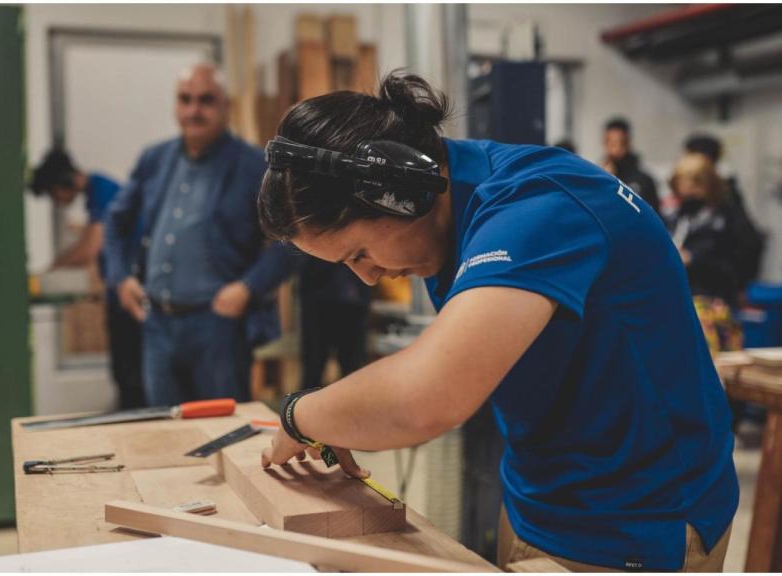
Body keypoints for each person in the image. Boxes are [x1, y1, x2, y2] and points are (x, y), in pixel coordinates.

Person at [257, 72, 738, 572]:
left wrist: (301, 413)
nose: (369, 277)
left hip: (635, 522)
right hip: (542, 501)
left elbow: (428, 398)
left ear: (400, 187)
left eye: (359, 252)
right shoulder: (450, 211)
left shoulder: (536, 208)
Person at [104, 63, 293, 406]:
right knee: (165, 430)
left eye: (206, 100)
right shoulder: (155, 159)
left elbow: (293, 240)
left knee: (222, 432)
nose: (194, 110)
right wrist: (119, 278)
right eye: (185, 99)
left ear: (226, 107)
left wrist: (249, 286)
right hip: (157, 323)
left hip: (217, 327)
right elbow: (115, 222)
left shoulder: (254, 166)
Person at [28, 149, 145, 410]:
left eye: (52, 193)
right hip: (122, 292)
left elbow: (93, 245)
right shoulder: (97, 193)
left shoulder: (102, 190)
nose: (56, 202)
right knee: (125, 372)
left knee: (130, 375)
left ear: (64, 182)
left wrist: (54, 267)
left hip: (130, 295)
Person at [665, 153, 743, 352]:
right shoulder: (677, 216)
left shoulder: (722, 217)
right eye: (683, 183)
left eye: (695, 183)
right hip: (680, 300)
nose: (688, 189)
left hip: (713, 301)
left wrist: (694, 258)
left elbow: (732, 259)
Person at [684, 133, 764, 298]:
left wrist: (739, 285)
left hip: (716, 293)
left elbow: (748, 243)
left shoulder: (726, 199)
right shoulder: (689, 201)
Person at [298, 257, 372, 391]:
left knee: (353, 369)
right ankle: (306, 410)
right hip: (317, 295)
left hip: (354, 298)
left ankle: (354, 409)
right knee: (313, 367)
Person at [601, 117, 660, 214]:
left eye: (617, 143)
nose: (612, 149)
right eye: (608, 142)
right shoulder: (600, 174)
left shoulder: (643, 181)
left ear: (627, 143)